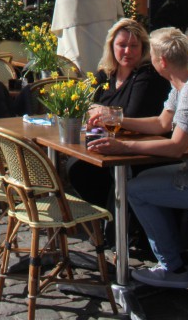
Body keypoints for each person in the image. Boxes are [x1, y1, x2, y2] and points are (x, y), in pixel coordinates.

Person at [88, 27, 188, 289]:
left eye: (151, 55)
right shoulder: (183, 81)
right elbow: (162, 123)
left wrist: (125, 146)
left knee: (135, 190)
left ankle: (173, 266)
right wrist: (116, 119)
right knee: (139, 182)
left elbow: (176, 146)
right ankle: (176, 255)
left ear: (161, 61)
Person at [68, 19, 170, 208]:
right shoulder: (106, 74)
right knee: (76, 167)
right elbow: (83, 104)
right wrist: (98, 111)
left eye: (133, 46)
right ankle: (107, 219)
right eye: (122, 45)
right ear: (112, 46)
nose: (127, 52)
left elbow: (132, 113)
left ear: (143, 48)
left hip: (140, 151)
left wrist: (101, 113)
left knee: (82, 170)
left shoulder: (145, 74)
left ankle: (116, 224)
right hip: (108, 143)